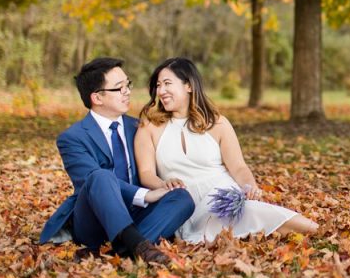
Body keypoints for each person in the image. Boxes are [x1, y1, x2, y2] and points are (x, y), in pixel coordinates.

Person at [135, 57, 318, 244]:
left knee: (256, 214)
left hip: (221, 198)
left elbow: (238, 167)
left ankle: (317, 231)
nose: (161, 91)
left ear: (188, 86)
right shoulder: (149, 127)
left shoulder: (217, 123)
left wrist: (249, 186)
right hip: (185, 205)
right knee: (246, 222)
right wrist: (164, 185)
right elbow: (146, 173)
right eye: (158, 85)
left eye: (167, 84)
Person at [40, 57, 195, 265]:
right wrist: (145, 195)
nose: (127, 92)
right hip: (94, 219)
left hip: (136, 213)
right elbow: (89, 182)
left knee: (182, 198)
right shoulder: (72, 138)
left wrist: (164, 186)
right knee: (100, 176)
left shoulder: (139, 127)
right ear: (97, 97)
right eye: (119, 88)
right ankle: (139, 245)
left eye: (127, 85)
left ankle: (124, 251)